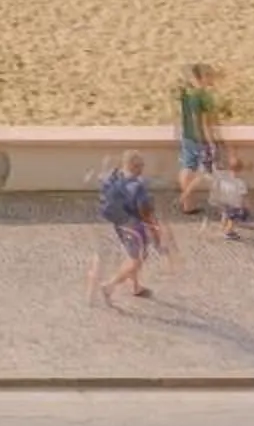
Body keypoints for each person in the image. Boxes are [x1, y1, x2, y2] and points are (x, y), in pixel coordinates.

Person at [88, 152, 166, 300]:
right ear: (134, 166)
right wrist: (155, 231)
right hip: (132, 225)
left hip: (117, 221)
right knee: (137, 259)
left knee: (132, 254)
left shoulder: (112, 176)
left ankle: (136, 286)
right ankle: (109, 286)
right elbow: (145, 212)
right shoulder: (138, 187)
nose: (142, 169)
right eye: (141, 166)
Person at [176, 64, 225, 215]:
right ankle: (222, 202)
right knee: (206, 172)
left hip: (187, 135)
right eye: (209, 76)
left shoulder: (186, 94)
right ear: (202, 78)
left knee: (187, 167)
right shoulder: (203, 97)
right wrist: (210, 142)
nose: (212, 79)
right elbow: (204, 123)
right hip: (199, 138)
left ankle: (187, 203)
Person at [212, 154, 253, 239]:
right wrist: (247, 205)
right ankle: (229, 232)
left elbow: (219, 188)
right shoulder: (241, 183)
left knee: (225, 214)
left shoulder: (224, 179)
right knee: (233, 218)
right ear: (241, 170)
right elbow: (244, 195)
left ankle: (223, 226)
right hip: (235, 204)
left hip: (224, 201)